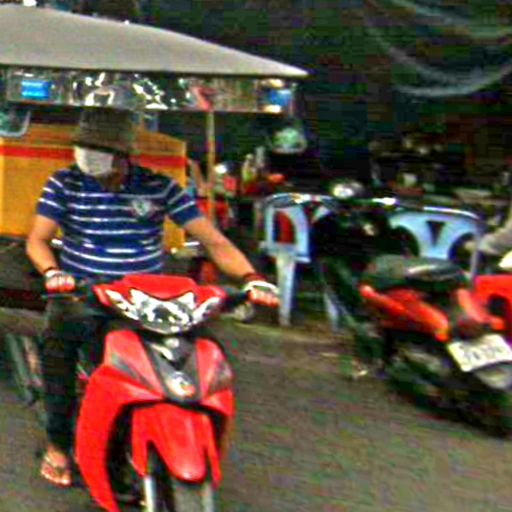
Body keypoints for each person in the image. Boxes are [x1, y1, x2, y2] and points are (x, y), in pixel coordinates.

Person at [26, 108, 279, 488]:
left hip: (148, 297)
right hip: (84, 293)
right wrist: (53, 272)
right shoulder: (65, 183)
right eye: (85, 148)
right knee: (58, 350)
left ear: (124, 155)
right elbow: (38, 241)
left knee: (205, 352)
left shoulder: (159, 187)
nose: (88, 157)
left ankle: (191, 433)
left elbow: (215, 242)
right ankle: (58, 445)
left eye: (99, 150)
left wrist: (253, 279)